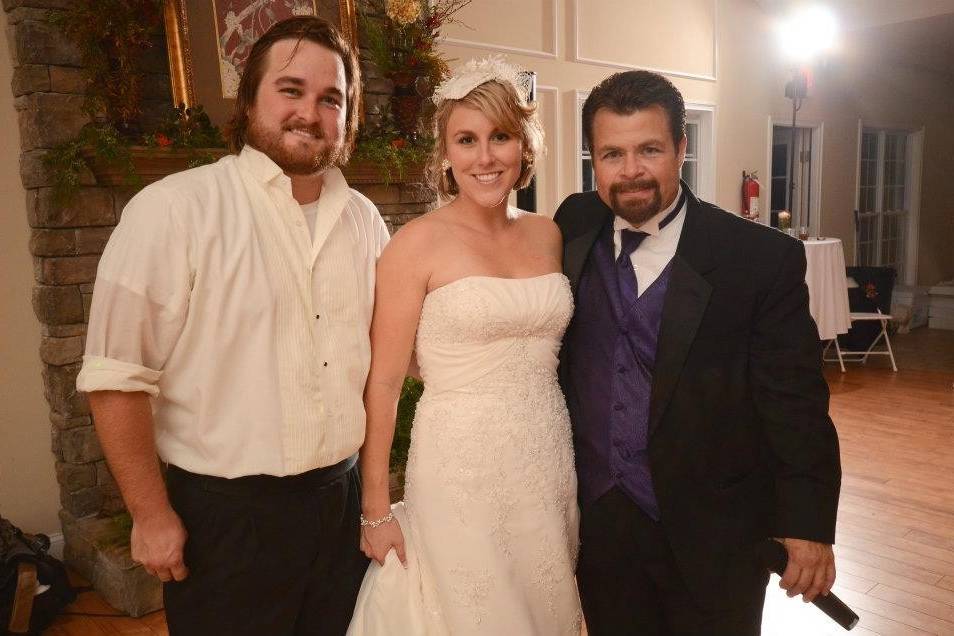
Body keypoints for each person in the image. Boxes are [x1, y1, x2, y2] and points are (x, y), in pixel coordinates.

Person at [75, 16, 388, 635]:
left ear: (348, 117)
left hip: (340, 503)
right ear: (249, 99)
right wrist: (150, 513)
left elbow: (393, 351)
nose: (311, 112)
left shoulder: (364, 219)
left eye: (332, 99)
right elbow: (116, 377)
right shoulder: (173, 210)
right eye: (291, 90)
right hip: (227, 520)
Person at [555, 70, 842, 635]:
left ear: (681, 150)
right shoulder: (573, 223)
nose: (631, 170)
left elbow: (797, 404)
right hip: (602, 524)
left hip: (717, 531)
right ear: (593, 158)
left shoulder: (758, 259)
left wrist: (807, 523)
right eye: (612, 153)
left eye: (650, 149)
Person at [347, 56, 582, 635]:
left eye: (500, 137)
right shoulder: (415, 245)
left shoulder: (548, 233)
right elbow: (382, 384)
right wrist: (376, 508)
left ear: (523, 146)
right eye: (467, 140)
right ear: (445, 154)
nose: (485, 157)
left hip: (547, 454)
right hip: (459, 465)